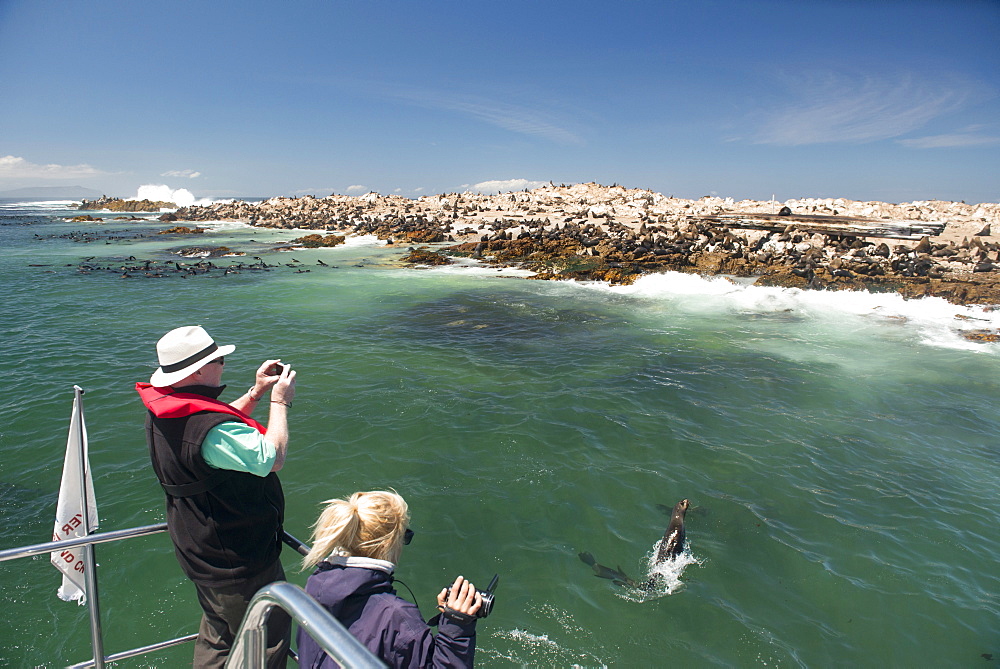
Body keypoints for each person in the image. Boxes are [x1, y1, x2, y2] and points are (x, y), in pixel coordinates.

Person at [136, 325, 297, 668]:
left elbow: (220, 426)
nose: (224, 363)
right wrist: (279, 401)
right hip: (237, 560)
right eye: (219, 359)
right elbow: (272, 458)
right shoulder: (207, 426)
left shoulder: (169, 410)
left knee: (219, 636)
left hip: (199, 550)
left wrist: (254, 393)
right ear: (196, 370)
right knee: (266, 640)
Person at [297, 491, 482, 669]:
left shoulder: (316, 585)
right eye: (405, 536)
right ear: (389, 543)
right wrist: (456, 626)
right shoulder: (398, 616)